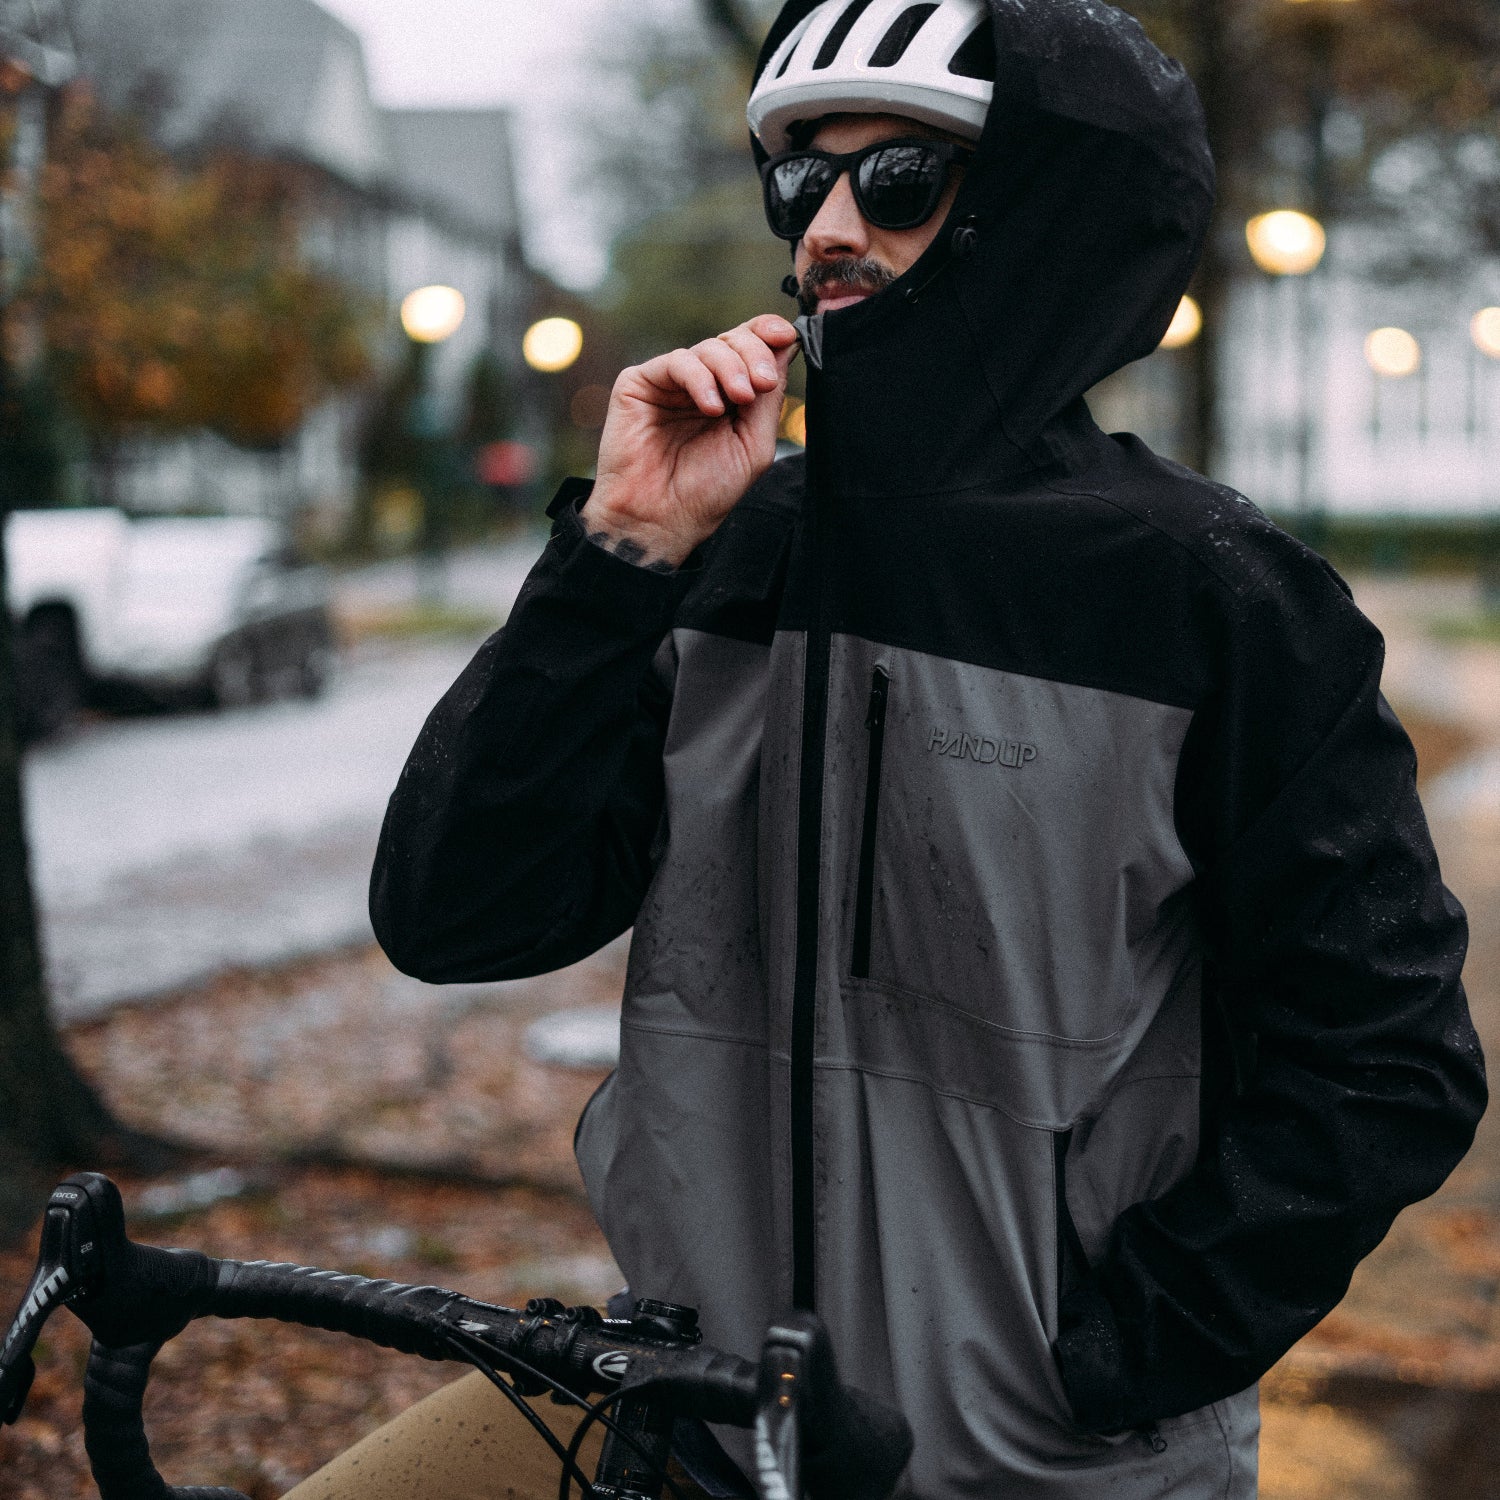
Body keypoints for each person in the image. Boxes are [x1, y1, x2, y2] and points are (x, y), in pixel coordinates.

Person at [297, 2, 1487, 1497]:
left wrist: (1108, 1361)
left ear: (1043, 212)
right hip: (700, 1432)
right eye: (802, 183)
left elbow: (1390, 1059)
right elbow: (455, 915)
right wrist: (617, 555)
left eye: (901, 179)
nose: (829, 231)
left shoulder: (1215, 599)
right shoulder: (726, 553)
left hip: (1047, 1468)